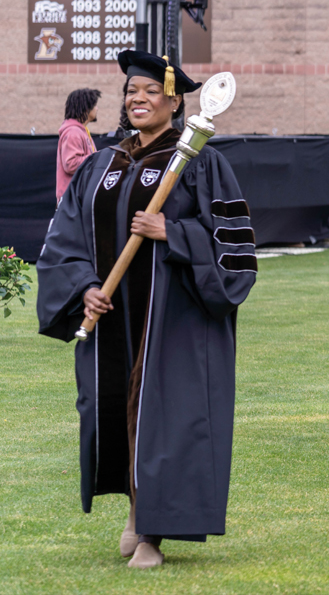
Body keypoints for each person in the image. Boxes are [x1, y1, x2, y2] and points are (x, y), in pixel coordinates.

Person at [35, 51, 257, 568]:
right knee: (113, 408)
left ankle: (153, 533)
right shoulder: (101, 164)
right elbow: (65, 238)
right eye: (131, 92)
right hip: (114, 316)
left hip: (173, 320)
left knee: (162, 416)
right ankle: (136, 513)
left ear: (175, 101)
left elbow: (236, 251)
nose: (138, 99)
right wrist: (83, 286)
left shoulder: (202, 162)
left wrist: (172, 232)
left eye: (150, 92)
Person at [57, 88, 101, 201]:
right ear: (86, 108)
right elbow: (70, 164)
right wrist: (98, 157)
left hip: (78, 197)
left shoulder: (82, 131)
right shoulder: (73, 132)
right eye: (95, 105)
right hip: (72, 200)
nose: (97, 109)